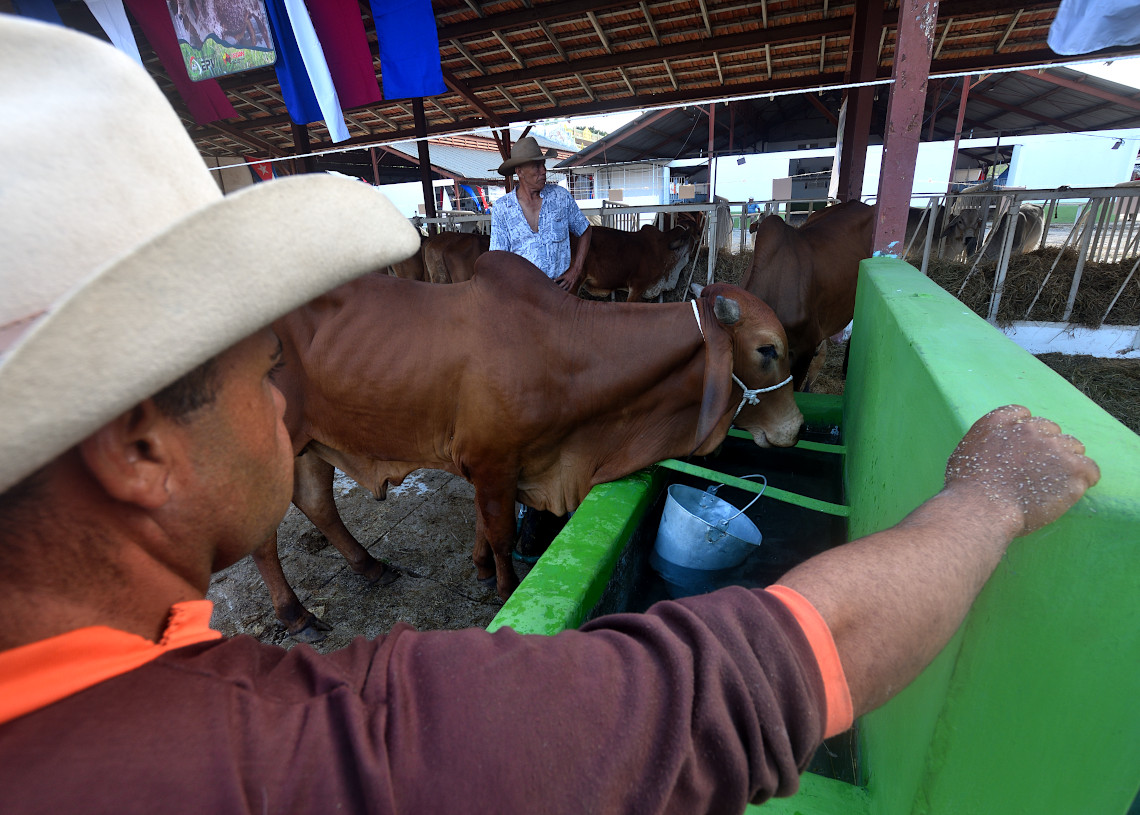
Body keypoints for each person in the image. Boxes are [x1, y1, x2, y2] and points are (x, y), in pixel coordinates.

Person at [0, 16, 1102, 814]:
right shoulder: (316, 754)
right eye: (259, 369)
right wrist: (989, 495)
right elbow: (745, 681)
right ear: (140, 447)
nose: (292, 395)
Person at [489, 135, 594, 291]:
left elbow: (585, 230)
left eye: (543, 165)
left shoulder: (560, 197)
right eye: (536, 166)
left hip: (560, 290)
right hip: (523, 293)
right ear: (520, 172)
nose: (543, 171)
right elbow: (498, 258)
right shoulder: (502, 208)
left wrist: (576, 270)